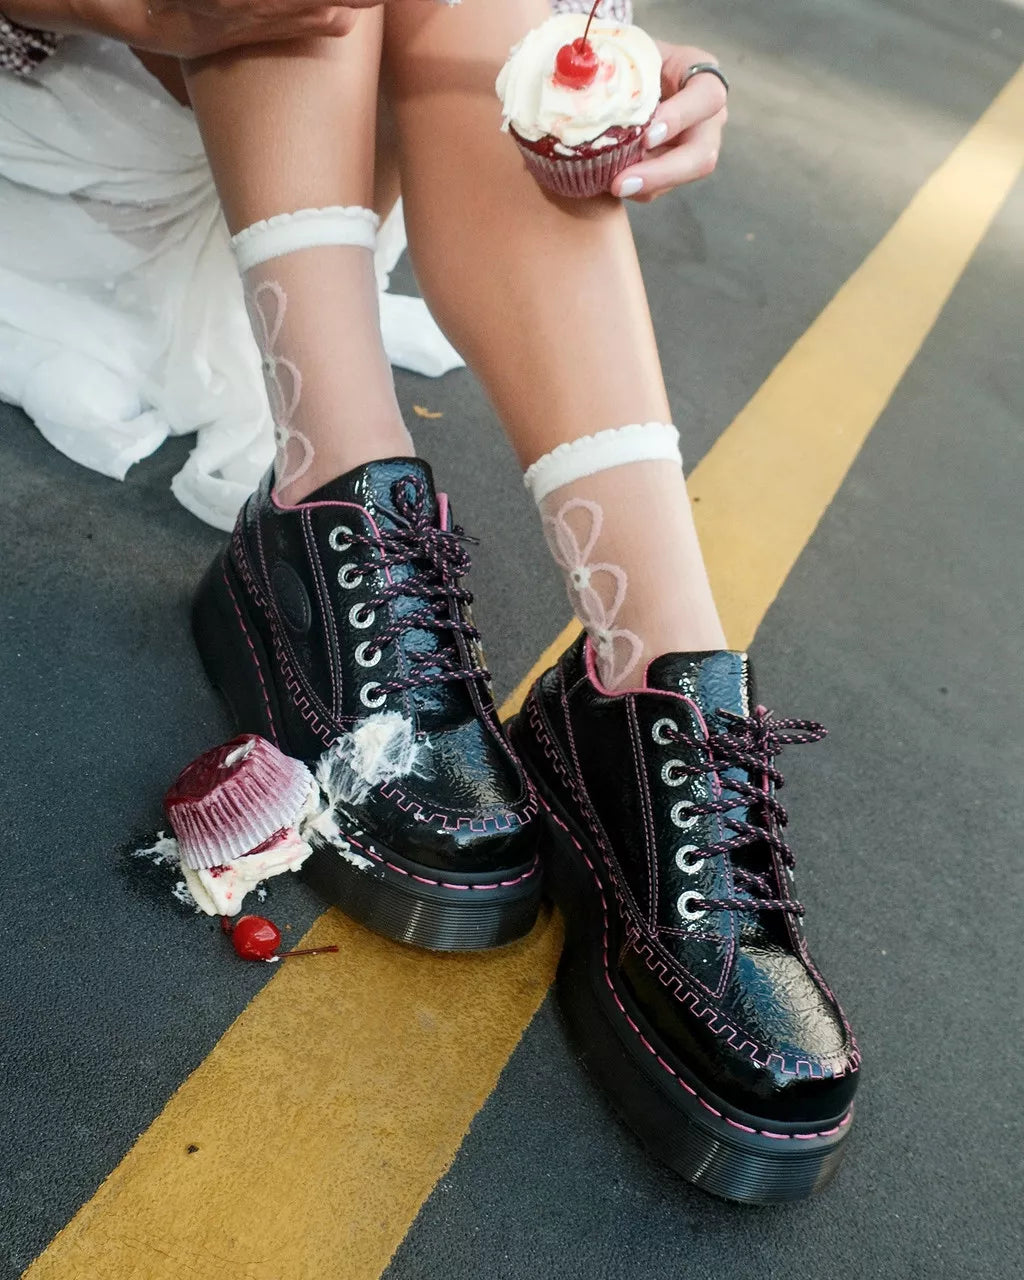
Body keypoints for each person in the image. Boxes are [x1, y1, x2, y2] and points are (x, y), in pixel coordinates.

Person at [0, 0, 859, 1203]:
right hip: (93, 76)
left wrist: (603, 75)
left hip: (330, 120)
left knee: (518, 38)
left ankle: (652, 672)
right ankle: (329, 480)